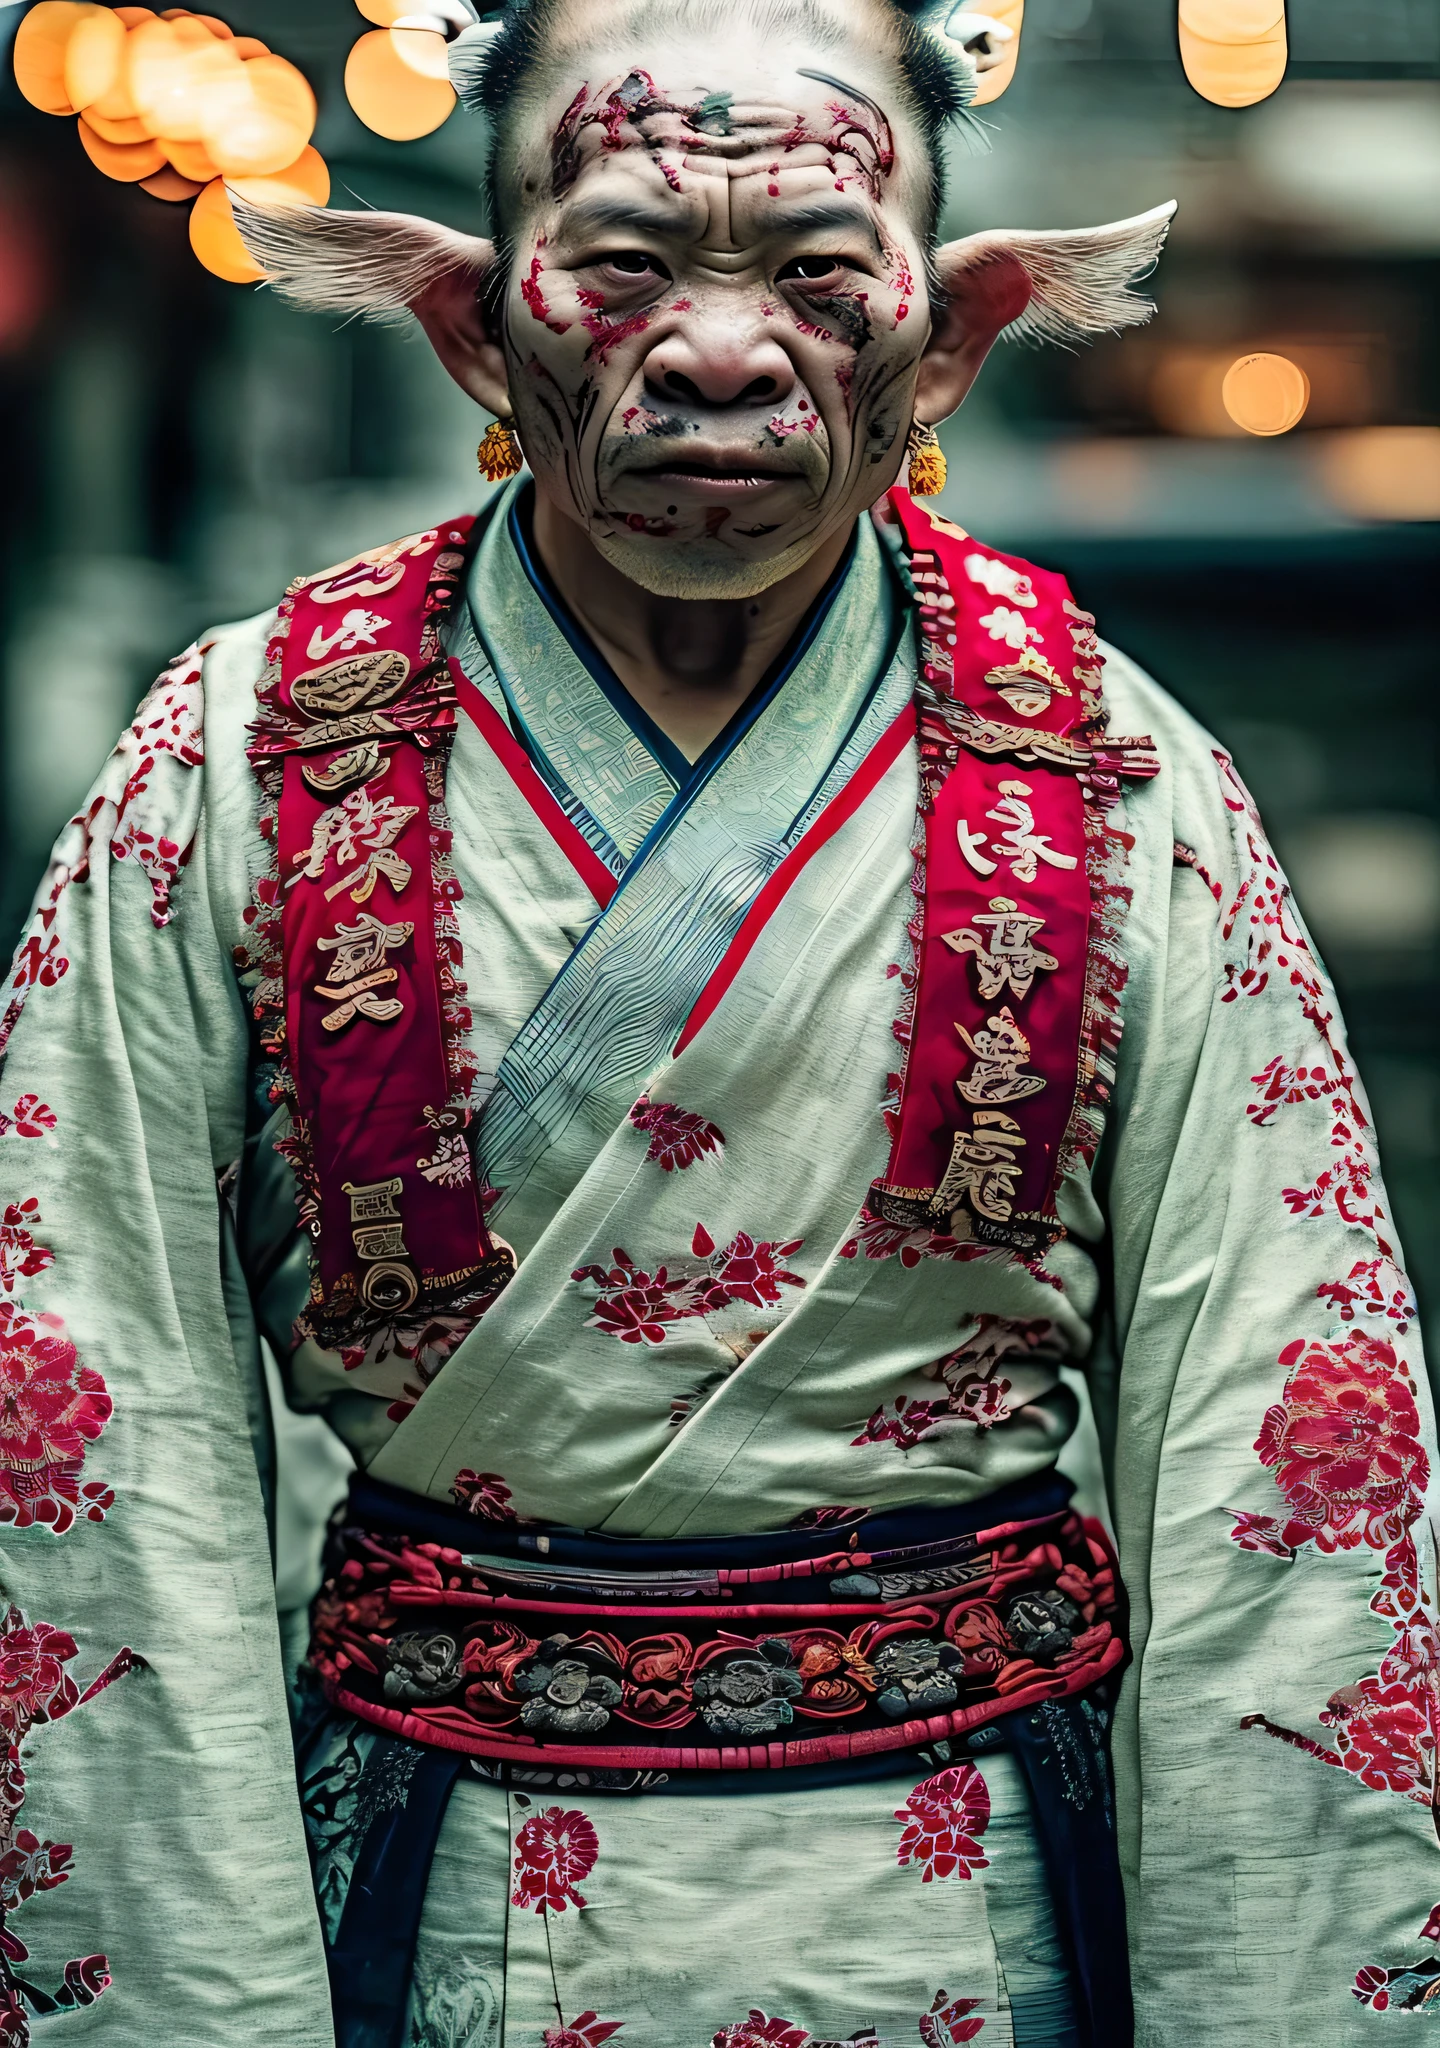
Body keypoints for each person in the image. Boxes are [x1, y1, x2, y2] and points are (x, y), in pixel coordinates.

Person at [1, 1, 1434, 2042]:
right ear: (478, 325)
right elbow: (88, 1456)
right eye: (628, 263)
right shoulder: (234, 765)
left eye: (822, 279)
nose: (723, 351)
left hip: (985, 1923)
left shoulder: (1117, 776)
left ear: (950, 337)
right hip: (422, 1916)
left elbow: (1294, 1468)